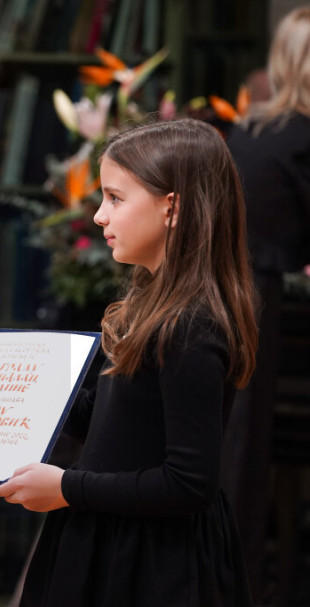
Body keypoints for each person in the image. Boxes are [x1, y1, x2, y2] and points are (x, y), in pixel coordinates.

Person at [0, 118, 259, 606]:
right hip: (115, 539)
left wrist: (68, 488)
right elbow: (110, 426)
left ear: (172, 207)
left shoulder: (191, 327)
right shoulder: (151, 305)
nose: (97, 216)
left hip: (152, 564)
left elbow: (190, 483)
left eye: (114, 198)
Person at [223, 5, 310, 596]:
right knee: (244, 457)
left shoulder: (250, 130)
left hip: (217, 288)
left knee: (232, 448)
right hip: (255, 301)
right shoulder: (303, 137)